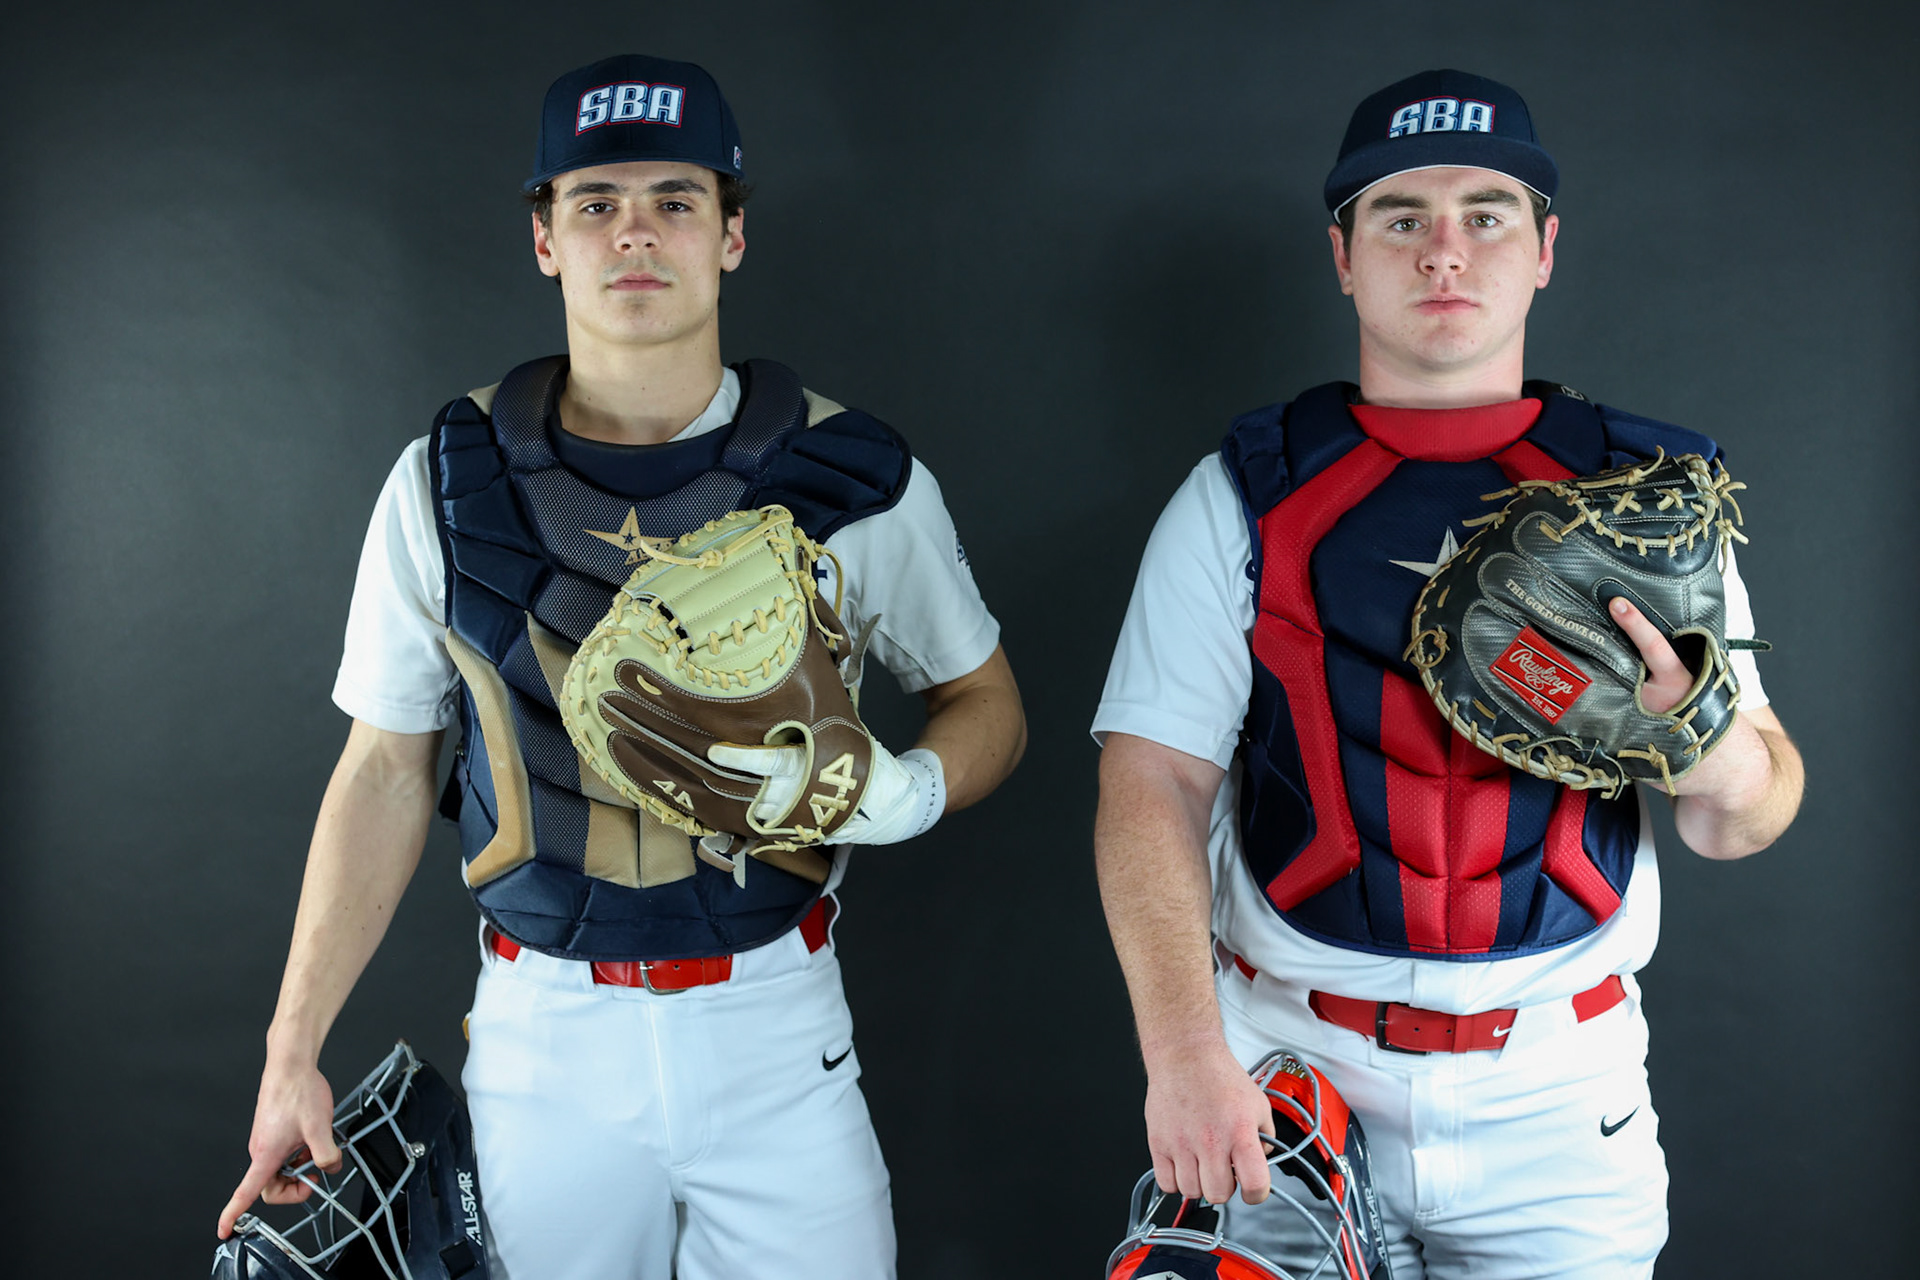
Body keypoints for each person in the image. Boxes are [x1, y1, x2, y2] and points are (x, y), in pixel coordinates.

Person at [215, 53, 1024, 1280]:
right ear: (545, 238)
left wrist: (904, 788)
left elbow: (990, 706)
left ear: (733, 233)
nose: (633, 232)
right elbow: (383, 771)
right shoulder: (445, 487)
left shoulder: (853, 477)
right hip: (546, 1033)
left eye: (675, 199)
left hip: (776, 1017)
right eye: (594, 202)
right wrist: (290, 1049)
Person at [1091, 69, 1802, 1279]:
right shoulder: (1241, 496)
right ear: (1343, 254)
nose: (1444, 252)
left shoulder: (1648, 510)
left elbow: (1746, 817)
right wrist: (1180, 1053)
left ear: (1545, 249)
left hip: (1557, 1098)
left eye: (1487, 213)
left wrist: (1701, 726)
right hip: (1287, 1080)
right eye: (1400, 217)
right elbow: (1150, 783)